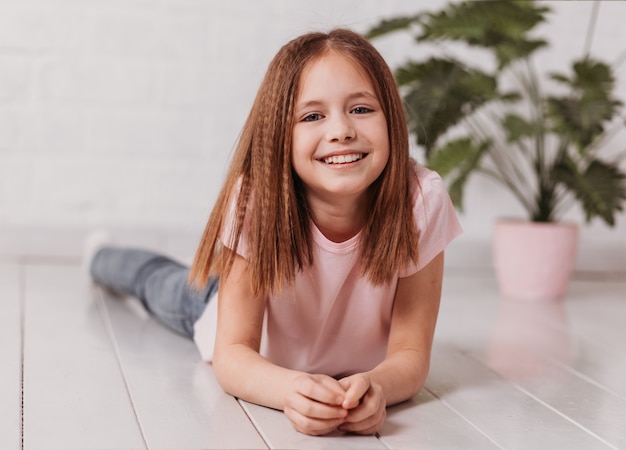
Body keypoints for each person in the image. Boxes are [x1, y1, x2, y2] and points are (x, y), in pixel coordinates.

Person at [88, 28, 462, 436]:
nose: (341, 131)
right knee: (157, 282)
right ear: (279, 136)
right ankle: (100, 255)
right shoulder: (253, 202)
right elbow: (232, 354)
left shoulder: (421, 201)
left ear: (391, 116)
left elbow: (410, 354)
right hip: (231, 318)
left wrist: (378, 388)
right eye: (312, 116)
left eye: (361, 109)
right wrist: (291, 389)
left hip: (320, 359)